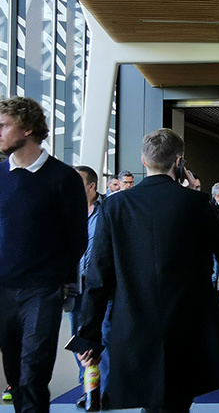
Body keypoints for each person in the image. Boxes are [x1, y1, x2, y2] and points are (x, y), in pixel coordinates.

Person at [77, 128, 219, 411]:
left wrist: (89, 335)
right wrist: (195, 191)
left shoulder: (115, 207)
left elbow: (99, 276)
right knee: (177, 399)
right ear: (179, 162)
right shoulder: (194, 203)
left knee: (150, 400)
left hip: (133, 319)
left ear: (144, 161)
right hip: (186, 321)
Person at [0, 96, 87, 412]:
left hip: (41, 290)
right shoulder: (0, 175)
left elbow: (77, 239)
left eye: (3, 125)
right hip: (3, 290)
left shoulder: (63, 178)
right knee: (14, 375)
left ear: (26, 128)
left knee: (34, 374)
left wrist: (57, 280)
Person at [71, 165, 111, 409]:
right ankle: (86, 388)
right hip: (74, 285)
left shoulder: (106, 210)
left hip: (100, 284)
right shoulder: (66, 211)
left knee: (103, 334)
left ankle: (104, 390)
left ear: (92, 186)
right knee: (80, 338)